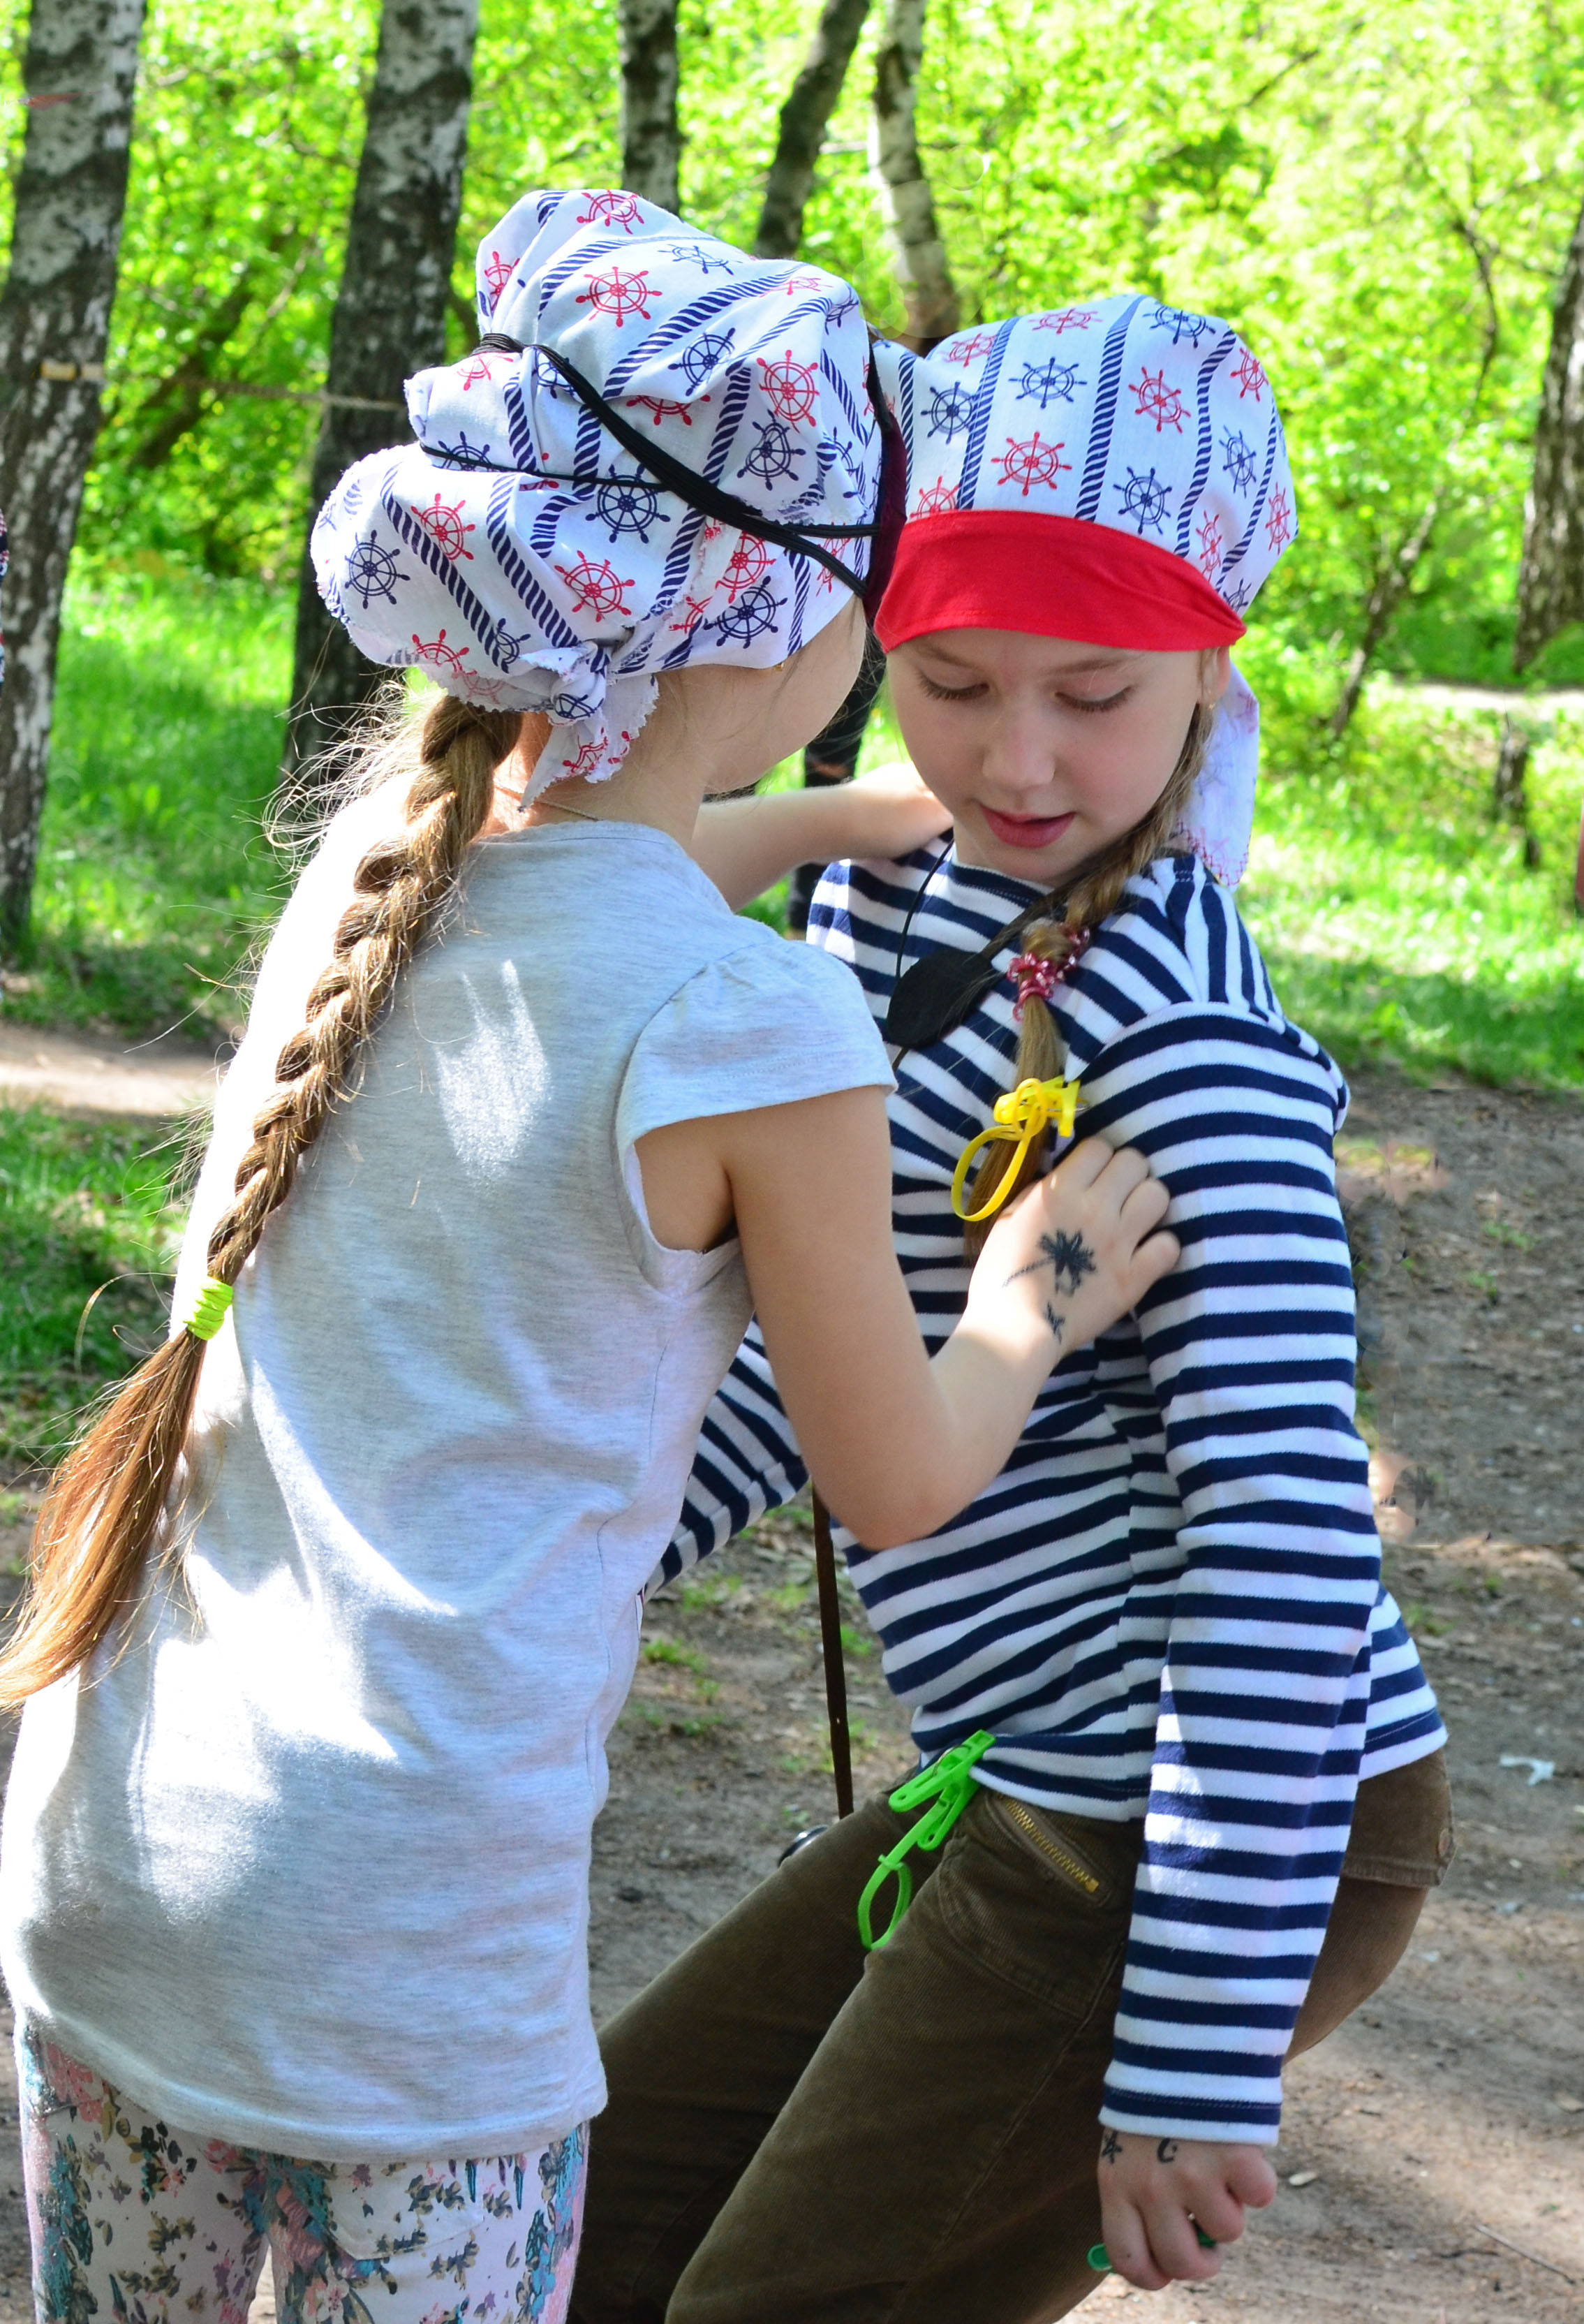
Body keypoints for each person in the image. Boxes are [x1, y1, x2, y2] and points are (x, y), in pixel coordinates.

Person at [0, 217, 1179, 2324]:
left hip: (113, 1870)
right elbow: (900, 1478)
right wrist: (1034, 1291)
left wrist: (835, 821)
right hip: (404, 1992)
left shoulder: (381, 869)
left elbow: (621, 862)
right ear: (794, 608)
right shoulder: (755, 1036)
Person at [571, 300, 1453, 2324]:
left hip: (1195, 1810)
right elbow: (832, 1339)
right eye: (953, 683)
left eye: (1096, 694)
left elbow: (1288, 1547)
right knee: (586, 2223)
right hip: (1020, 1771)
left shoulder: (1191, 1049)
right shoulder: (903, 898)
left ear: (1211, 680)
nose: (1021, 757)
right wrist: (574, 1561)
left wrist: (1199, 2045)